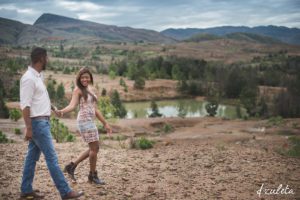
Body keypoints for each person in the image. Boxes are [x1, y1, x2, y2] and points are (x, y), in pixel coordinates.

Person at [20, 47, 84, 199]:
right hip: (38, 124)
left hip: (41, 122)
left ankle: (26, 189)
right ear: (41, 58)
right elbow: (25, 105)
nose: (47, 60)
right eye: (46, 57)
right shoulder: (28, 78)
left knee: (31, 158)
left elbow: (40, 99)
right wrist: (28, 127)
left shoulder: (37, 76)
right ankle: (66, 191)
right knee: (52, 159)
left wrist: (53, 108)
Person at [57, 67, 112, 185]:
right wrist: (62, 111)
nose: (84, 79)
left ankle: (72, 166)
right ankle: (92, 175)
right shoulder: (78, 90)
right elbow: (72, 105)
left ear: (90, 78)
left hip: (90, 121)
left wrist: (105, 123)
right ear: (79, 79)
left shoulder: (91, 89)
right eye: (82, 77)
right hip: (84, 121)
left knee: (94, 148)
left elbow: (95, 110)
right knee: (94, 149)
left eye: (86, 77)